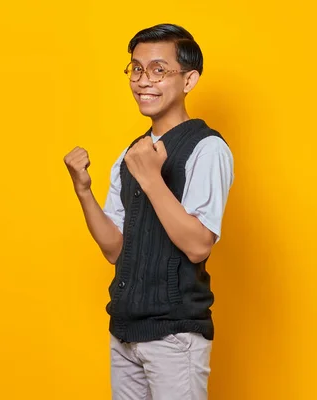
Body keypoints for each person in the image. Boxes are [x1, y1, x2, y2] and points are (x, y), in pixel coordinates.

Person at [63, 23, 234, 400]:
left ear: (189, 81)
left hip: (175, 336)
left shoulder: (207, 149)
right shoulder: (132, 154)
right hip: (124, 330)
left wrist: (152, 180)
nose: (144, 80)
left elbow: (198, 245)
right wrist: (83, 191)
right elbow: (114, 250)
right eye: (136, 69)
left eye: (159, 70)